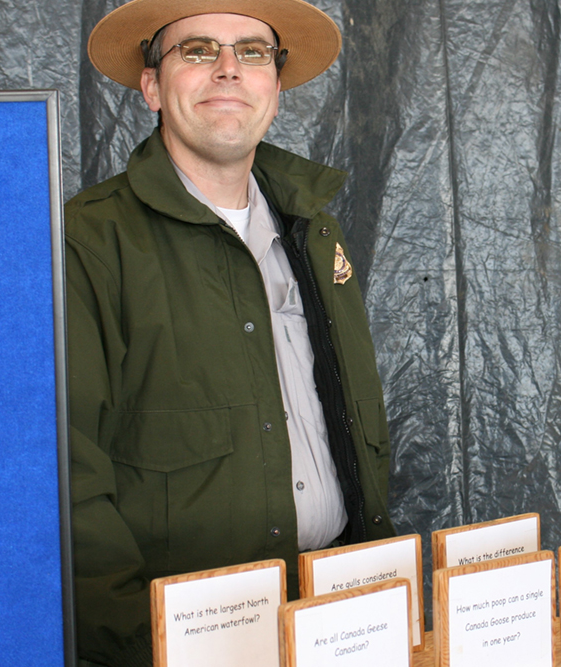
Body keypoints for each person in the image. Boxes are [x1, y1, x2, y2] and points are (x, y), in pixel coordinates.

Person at [65, 1, 395, 664]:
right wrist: (140, 642)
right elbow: (68, 480)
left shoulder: (312, 229)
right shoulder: (86, 242)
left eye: (251, 52)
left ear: (274, 85)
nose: (227, 70)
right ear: (152, 86)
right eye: (196, 51)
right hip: (188, 636)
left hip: (337, 612)